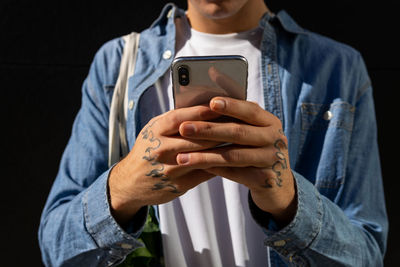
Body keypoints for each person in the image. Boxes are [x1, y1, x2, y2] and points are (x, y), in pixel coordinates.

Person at [38, 0, 388, 266]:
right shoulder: (118, 64)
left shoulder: (336, 68)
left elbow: (366, 253)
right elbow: (55, 246)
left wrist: (289, 201)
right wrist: (121, 189)